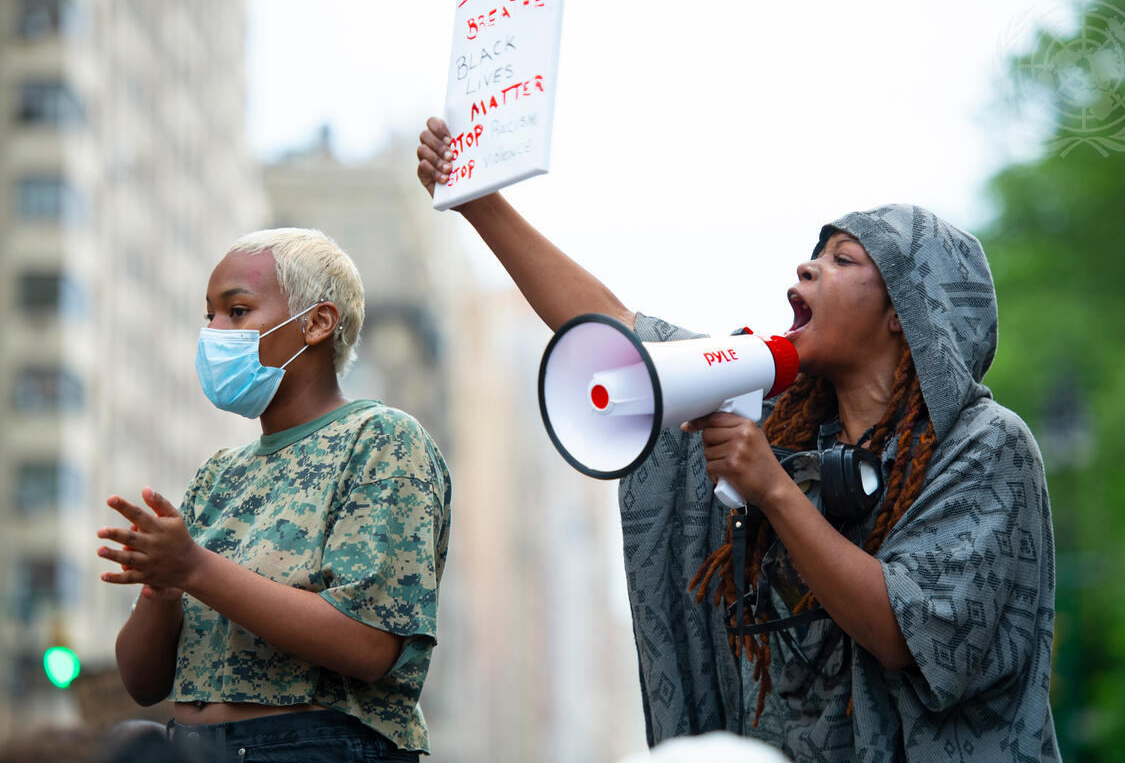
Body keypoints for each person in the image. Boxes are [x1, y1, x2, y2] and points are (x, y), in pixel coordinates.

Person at [416, 118, 1059, 760]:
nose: (806, 266)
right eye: (816, 253)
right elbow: (613, 332)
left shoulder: (985, 445)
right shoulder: (779, 420)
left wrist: (773, 489)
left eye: (842, 259)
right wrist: (478, 202)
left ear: (905, 312)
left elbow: (906, 633)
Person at [96, 228, 451, 762]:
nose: (214, 331)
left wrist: (193, 567)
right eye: (209, 315)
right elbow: (144, 683)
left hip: (317, 749)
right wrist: (163, 586)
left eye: (236, 312)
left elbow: (369, 646)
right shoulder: (218, 474)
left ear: (317, 322)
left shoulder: (380, 440)